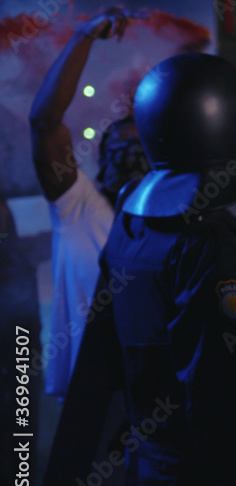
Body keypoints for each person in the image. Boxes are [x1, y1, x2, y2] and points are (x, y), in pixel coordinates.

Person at [93, 52, 236, 486]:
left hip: (150, 466)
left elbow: (117, 343)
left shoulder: (131, 219)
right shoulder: (212, 241)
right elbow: (217, 391)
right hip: (204, 481)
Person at [29, 7, 150, 397]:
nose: (130, 152)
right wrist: (83, 37)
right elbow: (45, 124)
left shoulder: (168, 220)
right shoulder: (79, 204)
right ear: (101, 157)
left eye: (140, 145)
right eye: (120, 145)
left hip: (148, 394)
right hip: (86, 393)